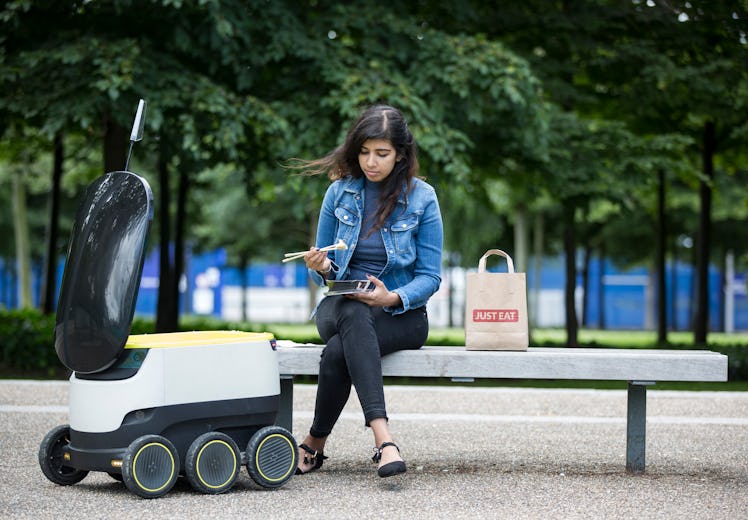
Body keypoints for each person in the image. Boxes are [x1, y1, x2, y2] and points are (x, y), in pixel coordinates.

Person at [291, 104, 443, 478]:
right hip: (340, 306)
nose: (370, 162)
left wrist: (390, 297)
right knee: (353, 312)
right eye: (363, 152)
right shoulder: (338, 193)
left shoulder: (422, 199)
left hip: (400, 314)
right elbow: (323, 271)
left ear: (401, 155)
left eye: (381, 153)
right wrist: (323, 268)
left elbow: (430, 277)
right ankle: (384, 439)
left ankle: (314, 442)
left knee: (338, 352)